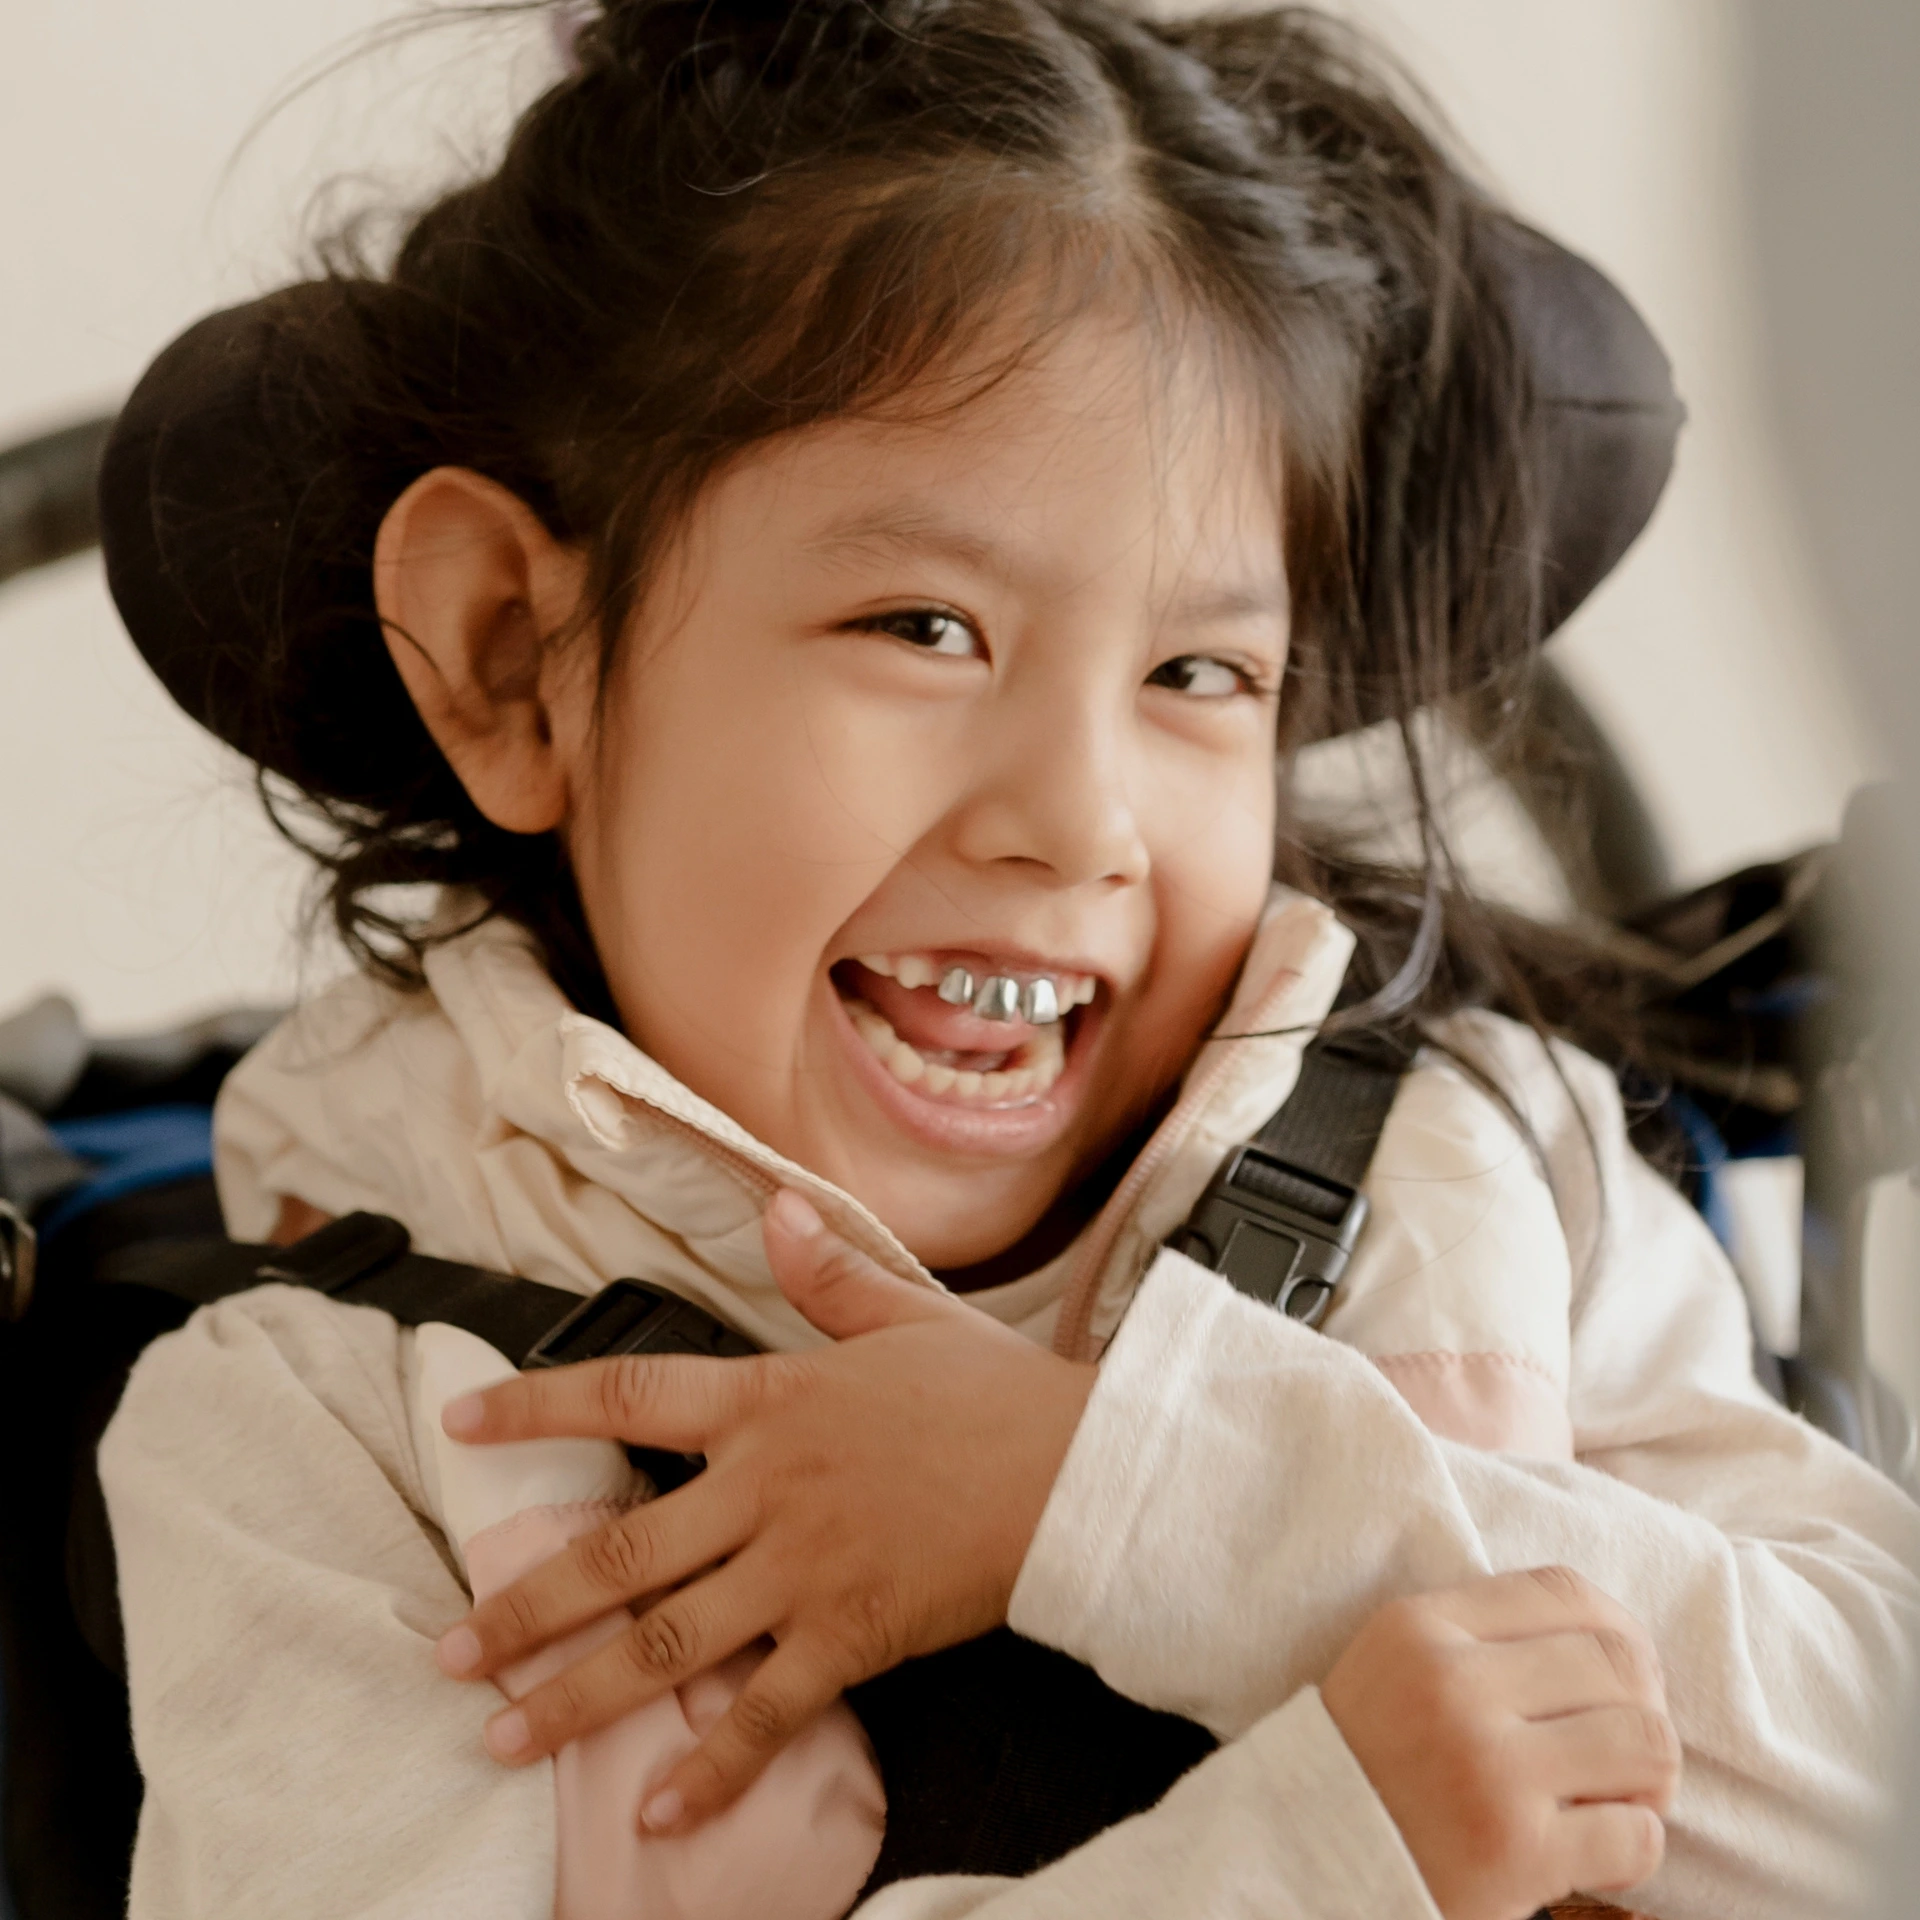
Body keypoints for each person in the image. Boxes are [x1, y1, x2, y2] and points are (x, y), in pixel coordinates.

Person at [92, 3, 1919, 1918]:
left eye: (1198, 675)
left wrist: (1140, 1498)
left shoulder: (1471, 1177)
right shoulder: (330, 1408)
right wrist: (1315, 1866)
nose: (1081, 818)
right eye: (924, 625)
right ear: (508, 654)